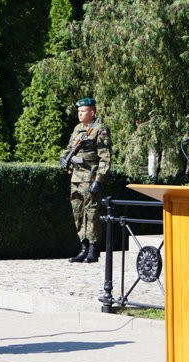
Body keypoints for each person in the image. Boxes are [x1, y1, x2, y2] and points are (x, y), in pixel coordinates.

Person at [61, 97, 111, 263]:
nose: (80, 114)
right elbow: (69, 148)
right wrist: (64, 158)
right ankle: (83, 247)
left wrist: (99, 180)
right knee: (78, 213)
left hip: (90, 178)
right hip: (76, 178)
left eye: (83, 111)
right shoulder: (77, 129)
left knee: (92, 213)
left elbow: (105, 158)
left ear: (92, 112)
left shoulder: (99, 130)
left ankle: (93, 250)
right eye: (79, 111)